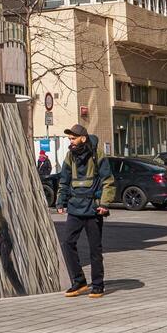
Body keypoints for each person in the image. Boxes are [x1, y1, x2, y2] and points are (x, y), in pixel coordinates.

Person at [54, 124, 115, 298]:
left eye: (73, 138)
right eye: (69, 139)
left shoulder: (97, 154)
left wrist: (104, 203)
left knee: (94, 249)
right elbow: (64, 180)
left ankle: (98, 285)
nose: (70, 141)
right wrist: (61, 201)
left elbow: (108, 180)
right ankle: (79, 282)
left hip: (93, 208)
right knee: (67, 243)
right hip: (75, 207)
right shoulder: (70, 156)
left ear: (83, 138)